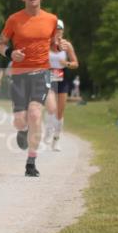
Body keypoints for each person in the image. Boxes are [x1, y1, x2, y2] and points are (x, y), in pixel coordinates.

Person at [0, 0, 57, 178]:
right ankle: (23, 131)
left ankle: (31, 162)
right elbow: (0, 43)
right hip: (20, 75)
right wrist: (10, 53)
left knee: (35, 114)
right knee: (20, 121)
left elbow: (55, 44)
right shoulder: (14, 19)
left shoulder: (51, 19)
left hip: (41, 72)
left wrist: (60, 46)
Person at [44, 19, 79, 150]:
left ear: (63, 31)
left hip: (62, 78)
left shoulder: (67, 45)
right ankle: (48, 129)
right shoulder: (46, 44)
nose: (57, 32)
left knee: (60, 112)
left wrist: (67, 64)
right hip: (48, 77)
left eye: (59, 30)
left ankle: (56, 139)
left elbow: (76, 63)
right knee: (51, 108)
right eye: (55, 30)